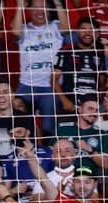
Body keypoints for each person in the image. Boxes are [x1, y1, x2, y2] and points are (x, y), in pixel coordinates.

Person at [11, 0, 69, 135]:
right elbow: (15, 33)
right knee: (17, 123)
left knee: (48, 128)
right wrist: (20, 6)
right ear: (29, 11)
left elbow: (67, 30)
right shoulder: (24, 29)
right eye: (35, 8)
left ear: (49, 9)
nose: (39, 11)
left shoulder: (56, 26)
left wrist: (58, 4)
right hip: (26, 84)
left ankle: (46, 153)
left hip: (50, 86)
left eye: (43, 7)